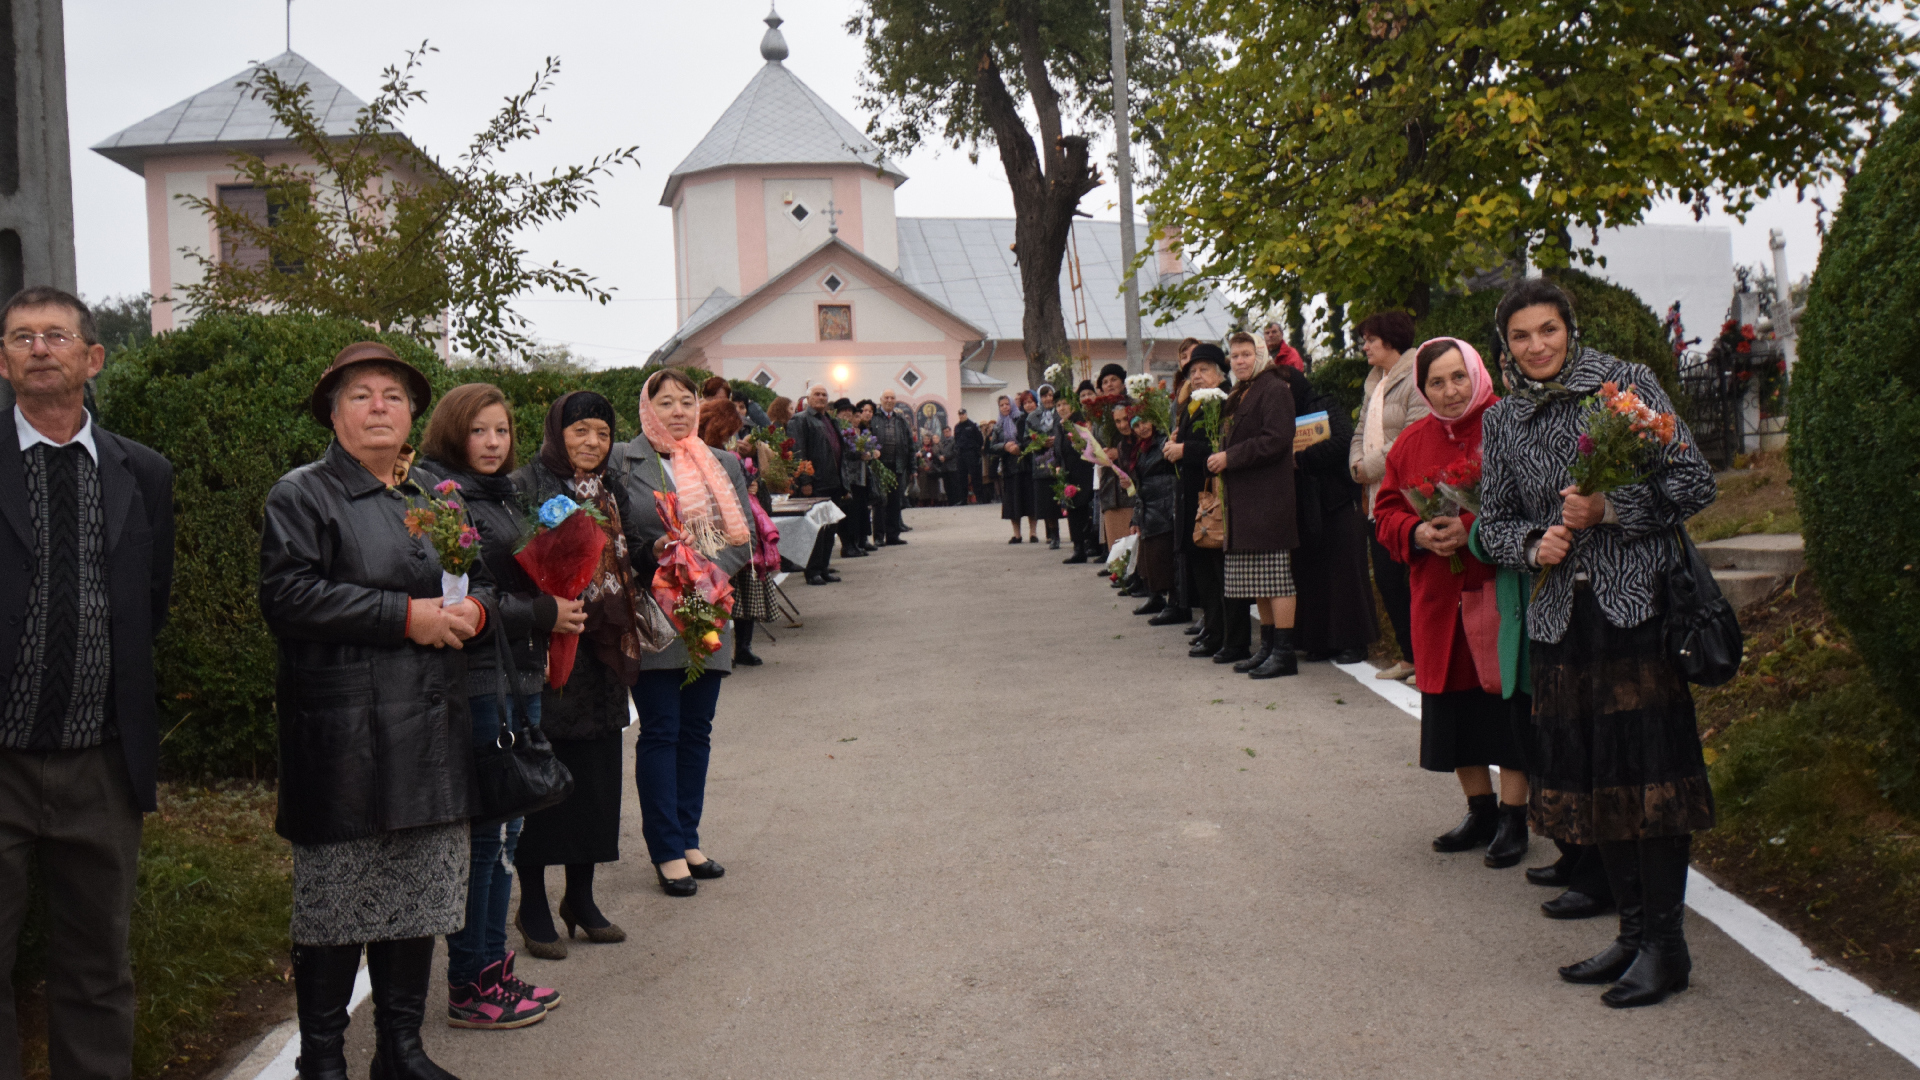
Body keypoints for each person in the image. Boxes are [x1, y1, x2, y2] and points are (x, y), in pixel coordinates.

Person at [1478, 278, 1717, 1008]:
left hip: (1635, 611)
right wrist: (1530, 543)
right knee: (1596, 780)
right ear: (1506, 346)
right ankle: (1632, 933)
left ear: (1568, 329)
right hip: (1561, 622)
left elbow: (1695, 480)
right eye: (1520, 337)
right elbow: (1490, 524)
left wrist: (1611, 507)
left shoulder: (1625, 384)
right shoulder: (1503, 418)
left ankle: (1666, 947)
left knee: (1652, 777)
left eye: (1547, 330)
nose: (1536, 346)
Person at [260, 342, 489, 1080]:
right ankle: (322, 1062)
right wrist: (405, 618)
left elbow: (458, 582)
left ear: (415, 413)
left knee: (418, 895)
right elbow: (288, 597)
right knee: (335, 906)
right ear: (332, 415)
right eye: (360, 395)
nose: (379, 406)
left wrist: (471, 611)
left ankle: (401, 1049)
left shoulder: (429, 496)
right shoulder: (301, 495)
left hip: (427, 729)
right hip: (344, 737)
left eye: (393, 394)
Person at [0, 288, 174, 1080]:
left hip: (101, 762)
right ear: (3, 362)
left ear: (93, 358)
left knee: (98, 968)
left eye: (57, 336)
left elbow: (151, 604)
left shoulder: (145, 472)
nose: (40, 348)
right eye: (22, 337)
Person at [419, 384, 571, 1027]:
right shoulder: (438, 498)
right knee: (486, 835)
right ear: (454, 431)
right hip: (478, 680)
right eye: (479, 431)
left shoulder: (508, 495)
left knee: (510, 829)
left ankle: (493, 968)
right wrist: (543, 609)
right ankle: (470, 981)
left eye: (502, 432)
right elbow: (462, 601)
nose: (491, 443)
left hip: (521, 675)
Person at [1373, 339, 1531, 867]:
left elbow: (1529, 500)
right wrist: (1418, 533)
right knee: (1454, 704)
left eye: (1457, 377)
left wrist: (1470, 528)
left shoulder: (1505, 426)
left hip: (1497, 586)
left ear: (1477, 374)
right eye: (1436, 382)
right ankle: (1479, 809)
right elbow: (1387, 511)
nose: (1449, 391)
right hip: (1439, 595)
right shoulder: (1409, 444)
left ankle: (1515, 816)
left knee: (1504, 702)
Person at [512, 392, 642, 959]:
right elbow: (514, 561)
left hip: (604, 651)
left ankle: (581, 899)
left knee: (596, 780)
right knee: (545, 778)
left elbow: (626, 551)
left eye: (603, 433)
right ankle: (534, 902)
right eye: (581, 431)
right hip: (552, 652)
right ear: (556, 431)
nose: (593, 443)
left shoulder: (613, 488)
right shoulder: (528, 485)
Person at [617, 369, 755, 897]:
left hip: (708, 608)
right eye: (666, 402)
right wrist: (667, 573)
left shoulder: (720, 463)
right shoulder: (625, 461)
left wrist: (705, 578)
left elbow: (740, 533)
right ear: (648, 408)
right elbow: (614, 536)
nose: (678, 411)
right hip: (653, 613)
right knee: (661, 730)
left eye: (686, 401)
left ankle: (689, 837)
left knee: (697, 729)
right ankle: (667, 849)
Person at [1208, 332, 1298, 679]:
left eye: (1247, 354)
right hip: (1247, 500)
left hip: (1268, 499)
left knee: (1276, 579)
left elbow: (1276, 439)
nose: (1240, 361)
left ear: (1260, 355)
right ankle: (1267, 648)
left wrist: (1230, 457)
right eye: (1235, 356)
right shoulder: (1241, 391)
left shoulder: (1274, 387)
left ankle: (1284, 653)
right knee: (1259, 581)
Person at [1276, 365, 1377, 663]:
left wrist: (1302, 459)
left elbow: (1343, 440)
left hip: (1337, 503)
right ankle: (1319, 640)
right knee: (1312, 574)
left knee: (1345, 575)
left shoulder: (1322, 405)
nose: (1282, 393)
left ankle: (1353, 642)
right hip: (1306, 508)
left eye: (1285, 386)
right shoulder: (1281, 417)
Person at [1350, 311, 1428, 682]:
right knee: (1386, 578)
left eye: (1370, 339)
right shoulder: (1374, 382)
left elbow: (1413, 434)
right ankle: (1409, 656)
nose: (1364, 346)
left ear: (1391, 340)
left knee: (1410, 580)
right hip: (1374, 496)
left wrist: (1369, 468)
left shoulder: (1418, 376)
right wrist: (1356, 466)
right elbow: (1359, 431)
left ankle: (1425, 657)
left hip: (1410, 497)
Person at [1172, 345, 1243, 660]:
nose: (1196, 376)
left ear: (1220, 372)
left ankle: (1233, 638)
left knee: (1223, 572)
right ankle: (1214, 632)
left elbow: (1220, 445)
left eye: (1203, 370)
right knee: (1205, 570)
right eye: (1192, 371)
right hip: (1196, 496)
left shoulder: (1227, 400)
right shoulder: (1194, 402)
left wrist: (1184, 450)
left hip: (1218, 498)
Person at [787, 385, 845, 586]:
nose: (821, 398)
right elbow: (798, 452)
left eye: (824, 395)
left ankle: (823, 567)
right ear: (808, 398)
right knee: (816, 530)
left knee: (830, 528)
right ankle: (812, 571)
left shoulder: (829, 419)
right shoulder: (800, 420)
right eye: (817, 394)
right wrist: (805, 481)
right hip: (816, 483)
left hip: (833, 482)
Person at [1125, 412, 1179, 615]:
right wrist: (1137, 517)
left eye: (1145, 422)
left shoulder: (1164, 442)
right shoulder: (1139, 449)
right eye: (1137, 425)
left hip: (1164, 505)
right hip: (1149, 507)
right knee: (1151, 560)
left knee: (1165, 557)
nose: (1142, 428)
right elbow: (1140, 484)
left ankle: (1174, 602)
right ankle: (1155, 597)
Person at [1091, 365, 1134, 559]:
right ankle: (1118, 569)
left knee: (1131, 533)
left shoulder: (1133, 406)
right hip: (1109, 481)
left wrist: (1120, 452)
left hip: (1130, 477)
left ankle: (1133, 573)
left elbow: (1142, 438)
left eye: (1113, 380)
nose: (1109, 384)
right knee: (1114, 533)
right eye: (1105, 382)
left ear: (1123, 382)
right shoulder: (1099, 413)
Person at [1054, 395, 1096, 564]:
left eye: (1065, 404)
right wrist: (1057, 465)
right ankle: (1078, 548)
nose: (1062, 408)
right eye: (1058, 405)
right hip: (1068, 473)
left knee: (1084, 509)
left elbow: (1086, 446)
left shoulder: (1080, 422)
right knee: (1072, 510)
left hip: (1083, 471)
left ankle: (1088, 545)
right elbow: (1058, 449)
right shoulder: (1060, 425)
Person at [871, 390, 914, 543]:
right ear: (881, 400)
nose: (889, 400)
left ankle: (893, 536)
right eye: (886, 398)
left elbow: (909, 444)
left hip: (898, 465)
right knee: (881, 502)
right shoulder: (874, 418)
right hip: (880, 467)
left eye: (892, 398)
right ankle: (878, 537)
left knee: (895, 502)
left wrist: (912, 468)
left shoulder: (900, 419)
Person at [991, 394, 1033, 542]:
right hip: (1008, 466)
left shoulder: (1021, 419)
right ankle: (1017, 534)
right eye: (1001, 405)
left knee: (1028, 498)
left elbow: (1028, 437)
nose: (1005, 407)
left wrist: (1018, 447)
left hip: (1024, 462)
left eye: (1007, 404)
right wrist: (1005, 446)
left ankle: (1033, 533)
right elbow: (992, 446)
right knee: (1012, 501)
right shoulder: (998, 425)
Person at [1027, 386, 1062, 548]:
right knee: (1048, 503)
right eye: (1044, 396)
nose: (1048, 399)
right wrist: (1040, 441)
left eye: (1050, 395)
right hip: (1042, 463)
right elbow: (1025, 440)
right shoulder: (1032, 417)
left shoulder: (1061, 411)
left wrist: (1059, 440)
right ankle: (1053, 535)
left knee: (1067, 498)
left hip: (1061, 461)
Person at [952, 409, 984, 505]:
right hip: (961, 454)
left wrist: (975, 450)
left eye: (963, 414)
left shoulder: (973, 425)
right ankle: (963, 499)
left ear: (966, 414)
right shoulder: (957, 427)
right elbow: (956, 440)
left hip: (971, 453)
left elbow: (980, 439)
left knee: (975, 476)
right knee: (961, 477)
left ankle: (979, 498)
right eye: (960, 414)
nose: (961, 416)